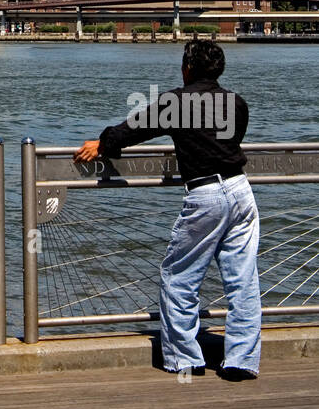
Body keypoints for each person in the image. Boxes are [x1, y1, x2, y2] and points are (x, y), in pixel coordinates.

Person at [74, 39, 260, 380]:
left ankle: (186, 360)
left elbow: (136, 128)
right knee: (242, 279)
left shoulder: (177, 102)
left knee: (179, 277)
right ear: (219, 69)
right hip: (241, 190)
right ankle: (241, 362)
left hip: (206, 194)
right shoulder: (237, 103)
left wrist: (103, 143)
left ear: (186, 68)